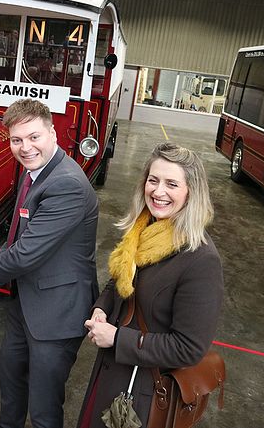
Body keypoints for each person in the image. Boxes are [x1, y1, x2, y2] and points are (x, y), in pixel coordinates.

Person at [0, 98, 99, 428]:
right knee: (11, 382)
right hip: (26, 302)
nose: (25, 148)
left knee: (44, 408)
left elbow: (27, 252)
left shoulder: (65, 184)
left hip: (57, 311)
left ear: (53, 133)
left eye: (34, 137)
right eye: (17, 140)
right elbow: (15, 241)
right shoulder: (35, 173)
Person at [77, 142, 224, 428]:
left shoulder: (201, 260)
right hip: (110, 374)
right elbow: (120, 278)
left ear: (190, 192)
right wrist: (101, 309)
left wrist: (117, 338)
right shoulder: (143, 228)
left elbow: (188, 348)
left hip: (140, 395)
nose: (158, 191)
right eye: (153, 180)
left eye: (172, 184)